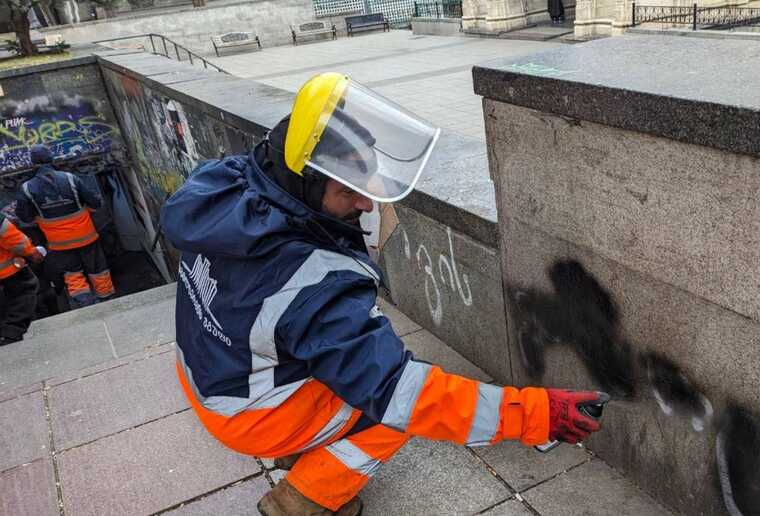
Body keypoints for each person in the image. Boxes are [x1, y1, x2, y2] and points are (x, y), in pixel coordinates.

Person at [161, 73, 606, 516]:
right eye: (347, 191)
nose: (367, 204)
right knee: (394, 409)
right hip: (247, 412)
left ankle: (298, 444)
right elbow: (404, 395)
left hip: (205, 372)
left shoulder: (232, 185)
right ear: (311, 186)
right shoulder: (310, 284)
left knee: (363, 370)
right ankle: (303, 499)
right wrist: (535, 414)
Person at [16, 145, 115, 307]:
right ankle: (107, 300)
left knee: (72, 274)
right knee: (98, 269)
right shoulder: (70, 178)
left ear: (32, 164)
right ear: (51, 159)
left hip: (60, 244)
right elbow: (95, 203)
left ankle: (85, 304)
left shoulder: (27, 188)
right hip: (87, 237)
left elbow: (24, 217)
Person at [0, 213, 43, 345]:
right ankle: (11, 333)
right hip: (6, 269)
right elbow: (11, 237)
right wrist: (31, 252)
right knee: (25, 289)